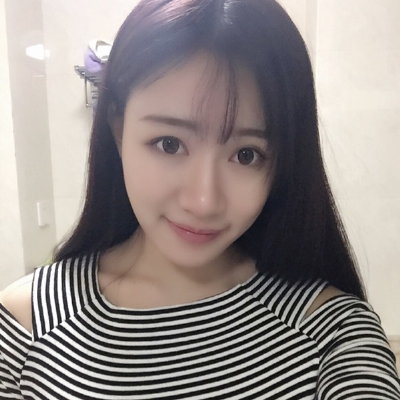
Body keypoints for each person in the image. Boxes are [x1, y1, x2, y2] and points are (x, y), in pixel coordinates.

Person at [1, 0, 399, 398]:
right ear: (118, 131)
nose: (204, 201)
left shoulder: (332, 334)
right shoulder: (22, 328)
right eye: (169, 144)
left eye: (247, 154)